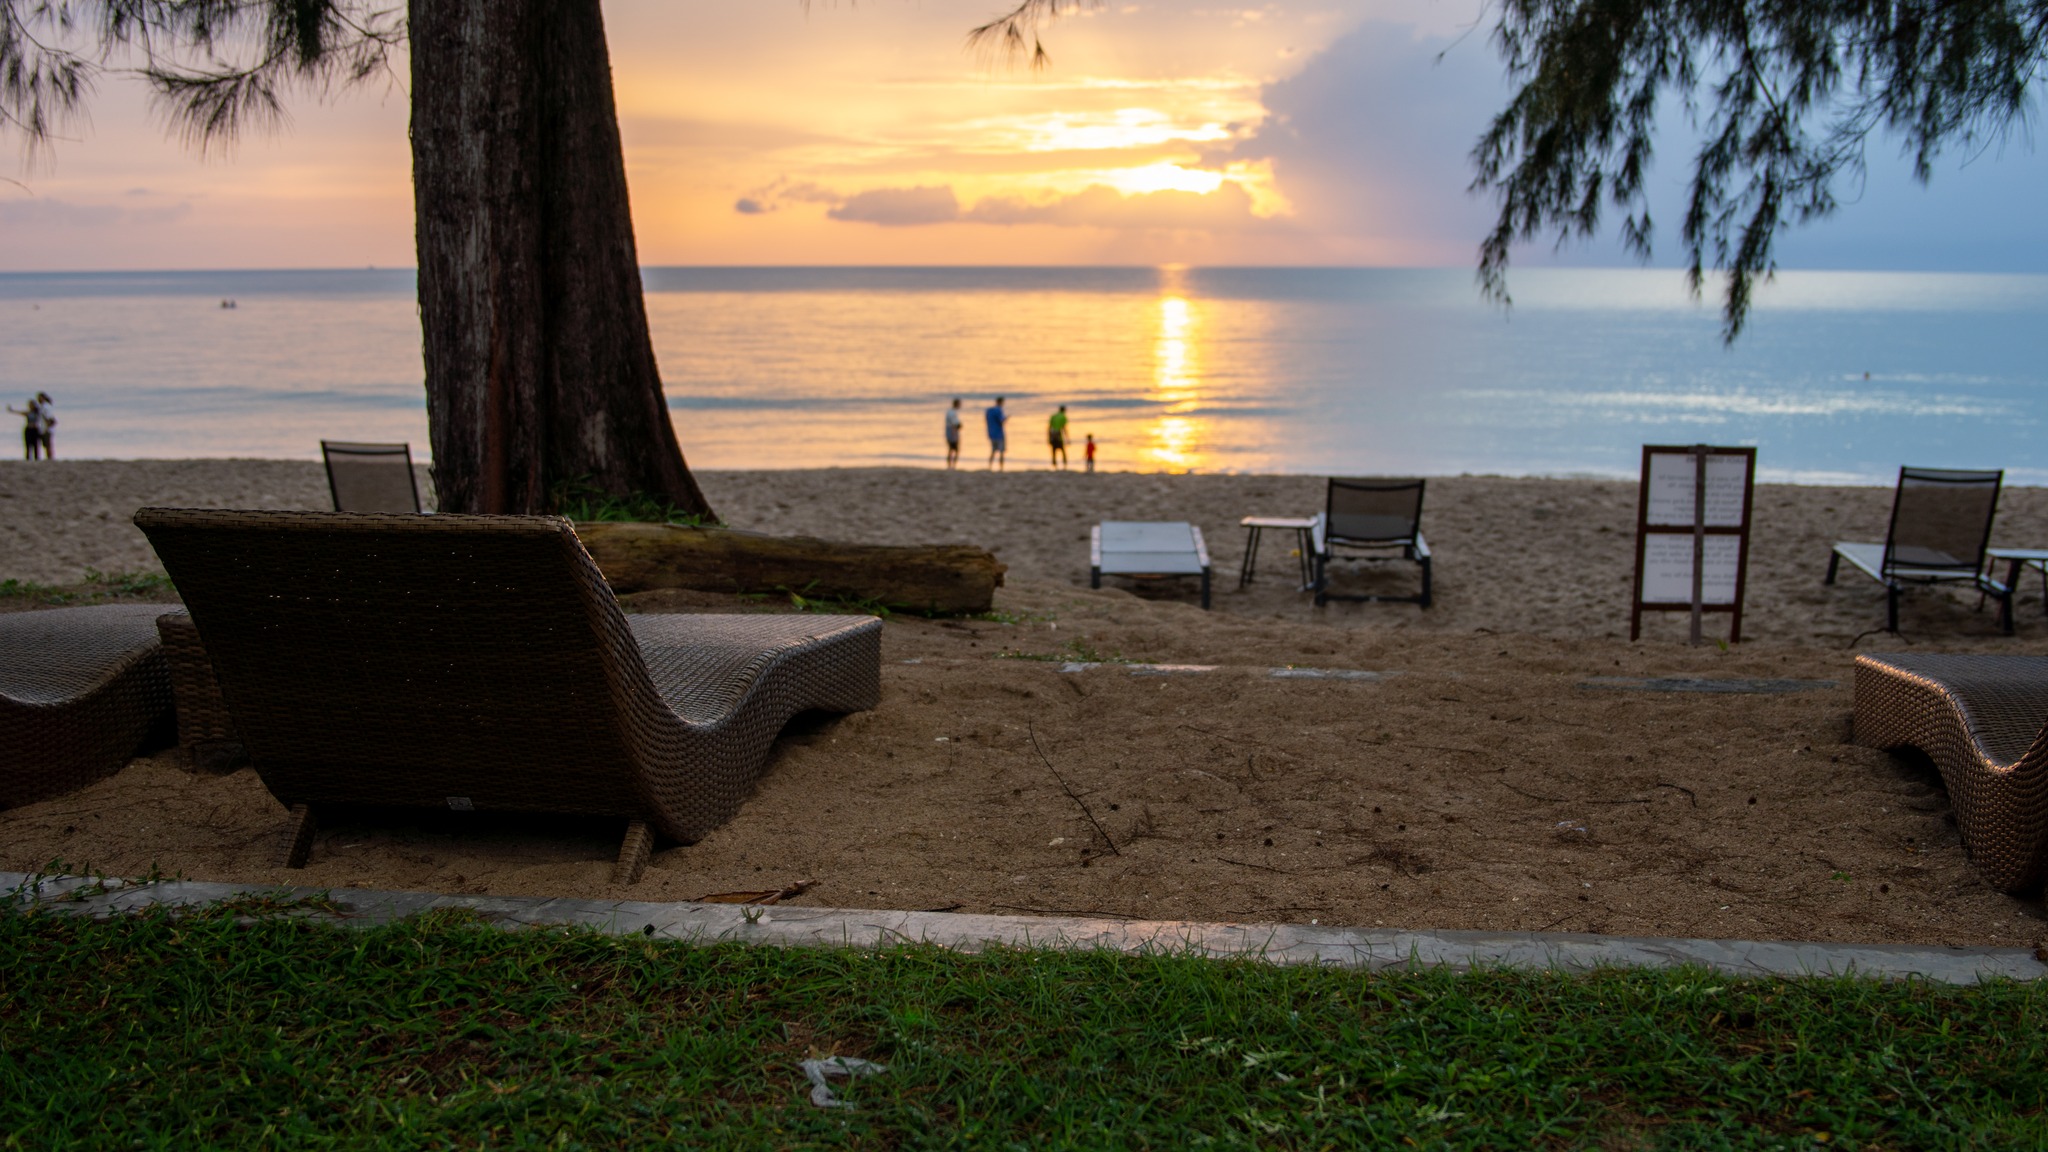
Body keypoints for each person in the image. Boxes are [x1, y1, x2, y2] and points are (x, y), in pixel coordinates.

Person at [8, 393, 48, 461]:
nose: (30, 406)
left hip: (35, 429)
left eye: (31, 404)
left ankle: (36, 458)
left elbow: (44, 417)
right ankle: (28, 458)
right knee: (28, 445)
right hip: (28, 429)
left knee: (35, 445)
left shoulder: (37, 412)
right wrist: (12, 410)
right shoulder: (28, 413)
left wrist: (45, 427)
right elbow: (20, 412)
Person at [985, 396, 1008, 471]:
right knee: (1001, 451)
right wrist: (1006, 419)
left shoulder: (989, 411)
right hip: (999, 434)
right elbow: (1001, 421)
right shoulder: (998, 410)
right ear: (1000, 402)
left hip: (991, 433)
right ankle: (1001, 468)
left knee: (993, 450)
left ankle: (990, 466)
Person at [1048, 404, 1069, 470]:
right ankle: (1064, 465)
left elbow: (1049, 427)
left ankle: (1055, 466)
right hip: (1058, 435)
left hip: (1053, 434)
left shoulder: (1053, 416)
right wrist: (1067, 438)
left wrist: (1049, 437)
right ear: (1064, 410)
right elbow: (1063, 428)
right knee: (1062, 450)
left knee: (1054, 451)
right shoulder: (1063, 417)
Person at [944, 398, 963, 470]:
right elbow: (956, 424)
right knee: (954, 449)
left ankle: (951, 466)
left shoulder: (951, 412)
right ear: (956, 404)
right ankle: (952, 466)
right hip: (952, 433)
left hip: (951, 432)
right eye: (959, 404)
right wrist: (959, 426)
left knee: (952, 449)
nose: (960, 405)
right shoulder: (952, 413)